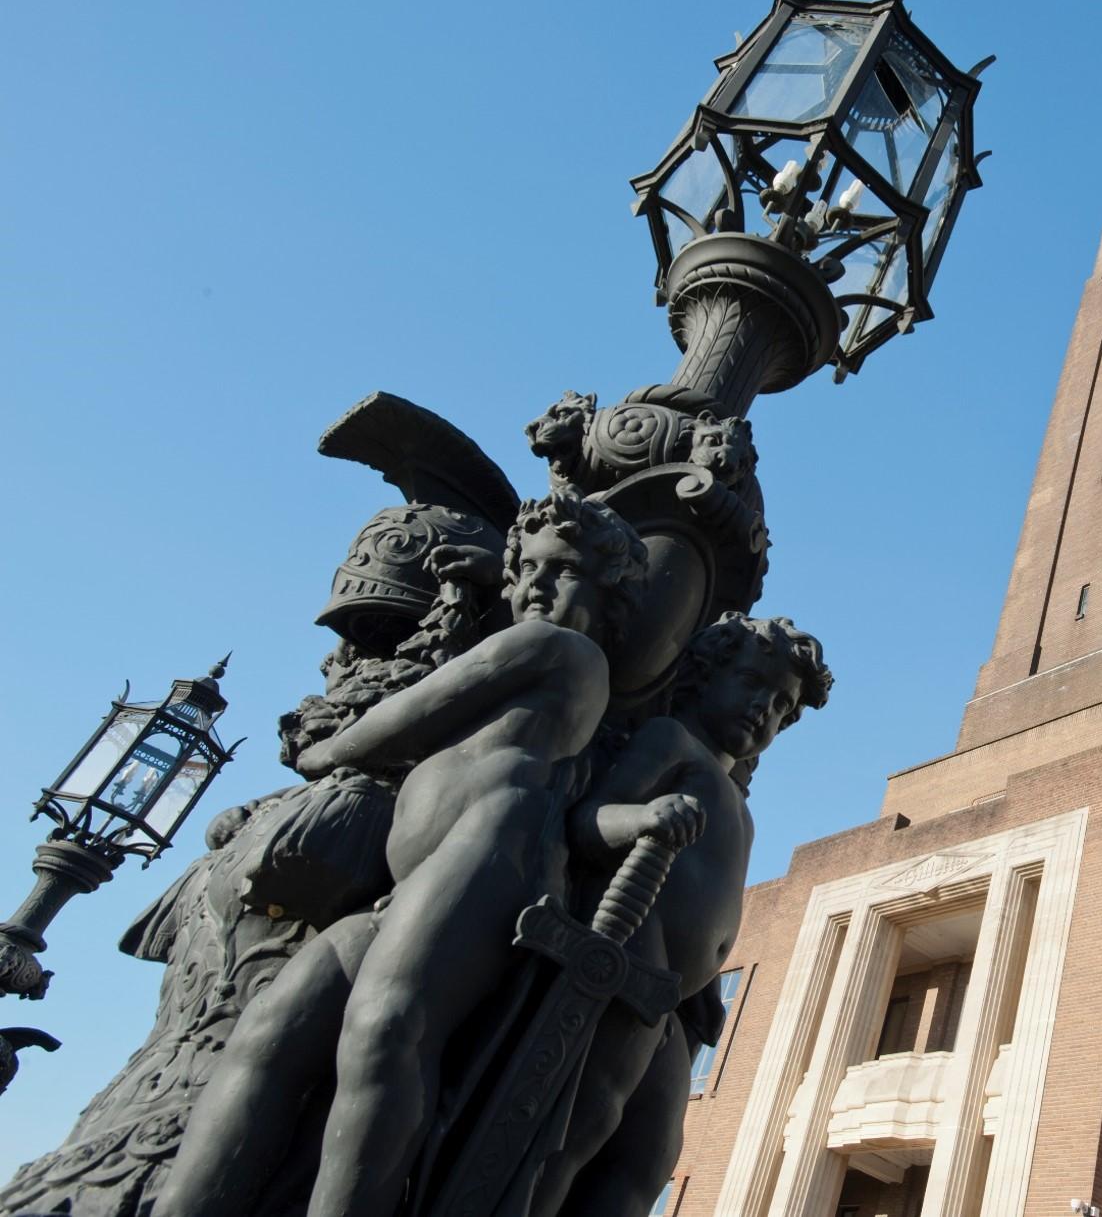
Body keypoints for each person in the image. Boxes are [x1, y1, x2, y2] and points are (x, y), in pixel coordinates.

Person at [155, 490, 648, 1217]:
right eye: (529, 570)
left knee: (386, 1029)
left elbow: (407, 716)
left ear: (606, 593)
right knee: (270, 1031)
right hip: (418, 879)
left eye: (564, 570)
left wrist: (323, 751)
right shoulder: (531, 640)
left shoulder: (553, 647)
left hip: (490, 850)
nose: (539, 587)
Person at [530, 612, 831, 1216]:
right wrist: (643, 818)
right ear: (708, 672)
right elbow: (588, 822)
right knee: (577, 1127)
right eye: (751, 683)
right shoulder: (671, 741)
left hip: (675, 1005)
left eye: (780, 704)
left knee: (647, 1159)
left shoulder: (741, 812)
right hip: (627, 967)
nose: (763, 708)